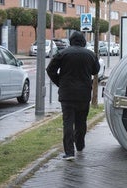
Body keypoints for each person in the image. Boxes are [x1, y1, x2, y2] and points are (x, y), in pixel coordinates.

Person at [46, 31, 100, 161]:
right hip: (83, 94)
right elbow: (95, 70)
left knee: (68, 122)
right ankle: (80, 145)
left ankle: (69, 152)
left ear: (71, 41)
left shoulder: (63, 53)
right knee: (81, 121)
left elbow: (50, 69)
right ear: (83, 42)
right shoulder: (91, 55)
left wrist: (60, 82)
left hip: (67, 94)